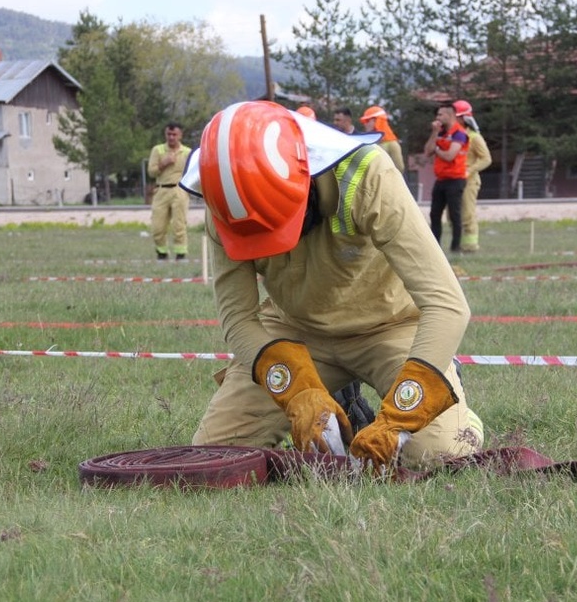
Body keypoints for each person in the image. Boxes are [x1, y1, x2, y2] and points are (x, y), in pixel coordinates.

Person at [181, 100, 485, 471]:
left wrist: (400, 418)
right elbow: (238, 318)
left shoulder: (367, 174)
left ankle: (454, 403)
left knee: (440, 455)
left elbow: (447, 304)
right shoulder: (224, 197)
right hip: (294, 332)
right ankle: (335, 395)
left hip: (391, 327)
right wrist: (298, 390)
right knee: (214, 451)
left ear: (304, 181)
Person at [422, 102, 470, 253]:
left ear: (450, 115)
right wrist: (434, 133)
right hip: (441, 179)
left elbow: (450, 156)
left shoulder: (459, 134)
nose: (438, 117)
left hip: (456, 179)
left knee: (454, 214)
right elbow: (427, 151)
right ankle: (435, 247)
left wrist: (437, 149)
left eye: (441, 114)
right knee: (434, 214)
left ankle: (456, 247)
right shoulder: (440, 133)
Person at [147, 122, 192, 260]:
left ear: (180, 135)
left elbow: (192, 173)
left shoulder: (187, 152)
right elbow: (151, 172)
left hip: (179, 190)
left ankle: (181, 254)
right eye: (168, 134)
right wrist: (163, 163)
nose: (171, 137)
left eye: (174, 134)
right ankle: (162, 252)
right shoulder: (158, 150)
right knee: (158, 226)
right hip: (162, 190)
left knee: (179, 224)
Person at [454, 100, 493, 253]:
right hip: (454, 181)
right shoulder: (453, 137)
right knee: (453, 216)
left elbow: (486, 159)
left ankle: (470, 247)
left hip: (469, 182)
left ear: (463, 118)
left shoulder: (474, 137)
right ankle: (457, 246)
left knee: (467, 215)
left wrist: (469, 170)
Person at [360, 105, 404, 172]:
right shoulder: (367, 142)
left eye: (367, 120)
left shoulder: (392, 144)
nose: (365, 124)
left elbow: (399, 168)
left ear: (376, 121)